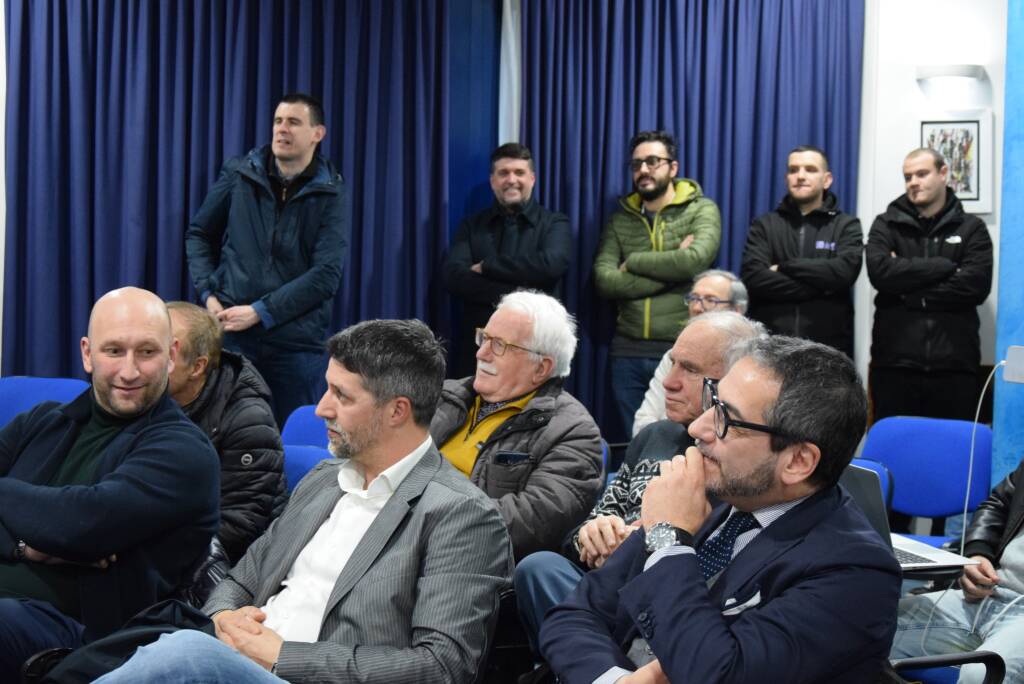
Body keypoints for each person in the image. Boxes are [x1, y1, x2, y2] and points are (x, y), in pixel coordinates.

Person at [93, 319, 513, 684]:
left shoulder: (460, 514)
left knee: (182, 654)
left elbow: (441, 667)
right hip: (237, 661)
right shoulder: (323, 479)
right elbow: (241, 580)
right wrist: (223, 617)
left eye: (341, 396)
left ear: (397, 411)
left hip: (296, 672)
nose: (321, 409)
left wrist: (282, 656)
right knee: (153, 641)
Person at [540, 336, 902, 683]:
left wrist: (669, 540)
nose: (698, 427)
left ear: (798, 460)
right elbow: (574, 615)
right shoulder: (711, 493)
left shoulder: (854, 572)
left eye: (727, 419)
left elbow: (718, 673)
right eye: (713, 401)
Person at [0, 287, 220, 681]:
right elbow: (62, 523)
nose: (129, 371)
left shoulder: (184, 452)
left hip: (83, 639)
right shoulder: (43, 421)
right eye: (114, 351)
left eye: (147, 352)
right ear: (87, 353)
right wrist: (23, 547)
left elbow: (81, 524)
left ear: (171, 356)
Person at [514, 312, 765, 649]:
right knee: (539, 567)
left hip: (679, 603)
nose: (668, 381)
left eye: (689, 370)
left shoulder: (742, 460)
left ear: (733, 384)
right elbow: (576, 541)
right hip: (608, 590)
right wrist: (593, 535)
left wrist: (643, 545)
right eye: (671, 363)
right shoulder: (655, 436)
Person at [186, 92, 349, 427]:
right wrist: (208, 293)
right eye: (277, 121)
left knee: (289, 441)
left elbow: (326, 275)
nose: (281, 130)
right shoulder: (238, 174)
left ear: (318, 133)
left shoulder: (332, 192)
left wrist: (260, 312)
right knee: (223, 432)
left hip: (295, 347)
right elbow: (199, 235)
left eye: (293, 122)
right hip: (233, 336)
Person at [430, 290, 603, 561]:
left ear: (541, 368)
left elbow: (532, 523)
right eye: (484, 338)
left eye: (500, 345)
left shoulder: (573, 432)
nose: (482, 353)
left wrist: (424, 517)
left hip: (471, 561)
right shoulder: (442, 396)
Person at [594, 130, 721, 437]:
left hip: (681, 347)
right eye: (637, 164)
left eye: (653, 161)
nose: (644, 170)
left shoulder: (701, 209)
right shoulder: (620, 219)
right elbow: (605, 281)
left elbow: (695, 260)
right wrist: (673, 267)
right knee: (635, 444)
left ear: (673, 168)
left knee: (687, 440)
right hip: (627, 350)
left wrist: (634, 262)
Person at [866, 147, 992, 421]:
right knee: (893, 455)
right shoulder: (885, 225)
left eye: (922, 174)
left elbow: (975, 285)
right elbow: (880, 273)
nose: (913, 182)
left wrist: (911, 294)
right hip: (894, 367)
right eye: (908, 176)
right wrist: (945, 267)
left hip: (955, 368)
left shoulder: (972, 229)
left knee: (952, 457)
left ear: (943, 173)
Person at [166, 301, 286, 564]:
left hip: (228, 564)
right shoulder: (148, 399)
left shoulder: (247, 417)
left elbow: (241, 524)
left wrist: (148, 550)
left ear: (197, 367)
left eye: (162, 353)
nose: (142, 363)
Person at [890, 457, 1024, 684]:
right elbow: (999, 504)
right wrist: (978, 553)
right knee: (862, 629)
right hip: (991, 594)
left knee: (981, 675)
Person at [443, 143, 571, 377]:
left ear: (532, 178)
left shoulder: (555, 223)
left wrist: (487, 266)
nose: (511, 179)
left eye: (519, 172)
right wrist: (526, 289)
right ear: (493, 181)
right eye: (503, 173)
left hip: (535, 349)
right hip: (478, 348)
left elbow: (551, 265)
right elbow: (454, 277)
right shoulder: (472, 226)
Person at [740, 145, 863, 357]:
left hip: (828, 350)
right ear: (787, 177)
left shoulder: (846, 225)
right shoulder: (765, 225)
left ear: (827, 179)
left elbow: (844, 274)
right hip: (771, 348)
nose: (801, 176)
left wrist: (785, 267)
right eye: (794, 170)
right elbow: (754, 277)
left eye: (810, 169)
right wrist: (823, 286)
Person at [632, 270, 748, 435]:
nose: (696, 307)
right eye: (693, 298)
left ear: (736, 310)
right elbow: (642, 425)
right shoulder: (674, 355)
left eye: (710, 300)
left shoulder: (748, 362)